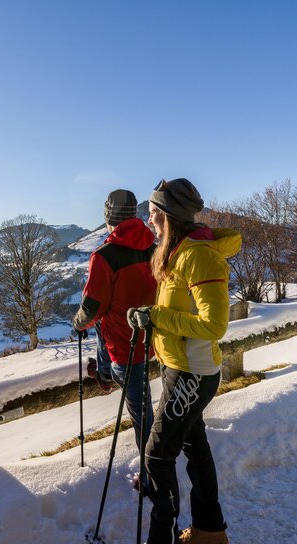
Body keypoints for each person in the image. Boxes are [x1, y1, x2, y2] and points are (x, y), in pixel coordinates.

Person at [128, 178, 242, 544]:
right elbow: (179, 307)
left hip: (192, 373)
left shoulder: (199, 255)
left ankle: (163, 537)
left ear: (169, 216)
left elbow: (214, 324)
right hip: (182, 368)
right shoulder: (178, 251)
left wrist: (158, 319)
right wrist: (151, 313)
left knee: (157, 457)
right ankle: (210, 532)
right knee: (194, 447)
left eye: (153, 215)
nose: (148, 222)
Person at [73, 188, 157, 454]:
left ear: (108, 218)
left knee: (143, 417)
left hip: (125, 349)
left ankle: (151, 475)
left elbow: (92, 307)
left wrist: (77, 323)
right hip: (153, 340)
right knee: (144, 411)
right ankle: (105, 372)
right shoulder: (154, 248)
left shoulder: (105, 256)